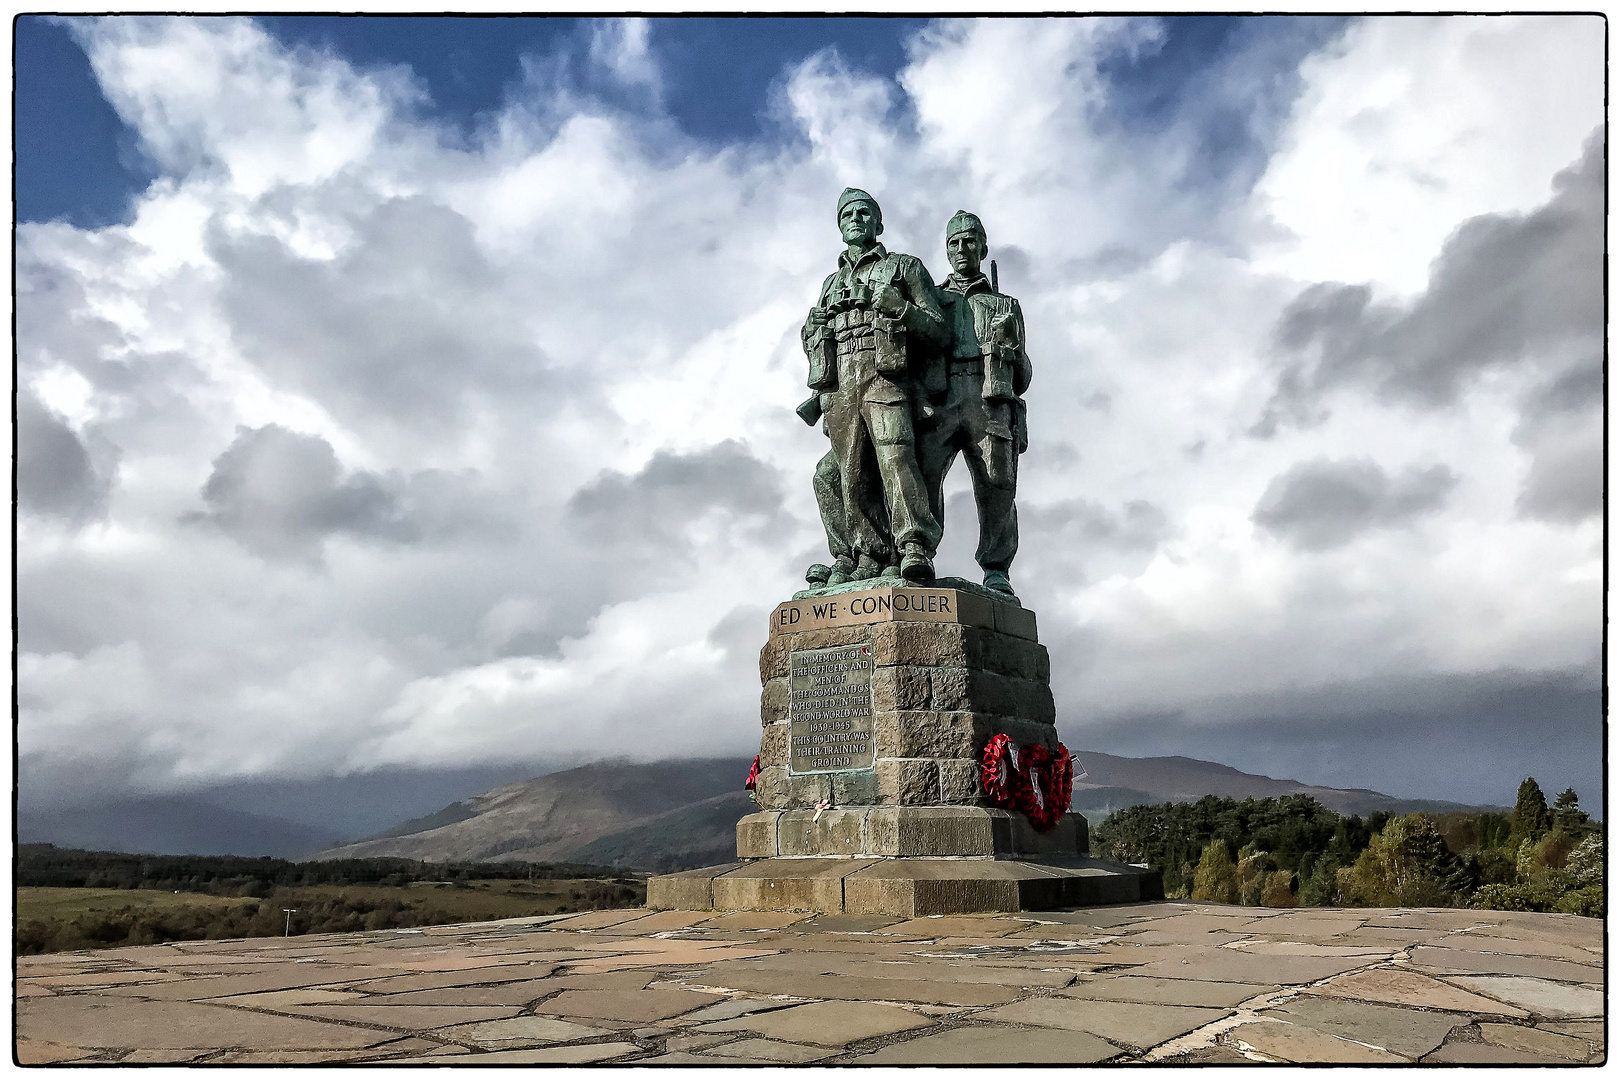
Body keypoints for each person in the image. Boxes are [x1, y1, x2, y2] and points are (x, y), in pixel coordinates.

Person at [800, 188, 948, 584]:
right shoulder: (831, 283)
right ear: (839, 226)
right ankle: (866, 555)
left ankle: (914, 545)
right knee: (847, 473)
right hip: (841, 384)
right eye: (847, 215)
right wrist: (811, 332)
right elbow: (817, 340)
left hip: (886, 374)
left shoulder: (905, 267)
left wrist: (899, 308)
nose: (855, 220)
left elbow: (938, 330)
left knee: (895, 455)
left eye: (864, 214)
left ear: (879, 224)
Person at [919, 210, 1032, 597]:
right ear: (947, 250)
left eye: (970, 240)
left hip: (989, 397)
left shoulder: (1006, 304)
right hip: (942, 396)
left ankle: (996, 569)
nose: (962, 248)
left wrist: (1011, 348)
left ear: (983, 247)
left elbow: (1025, 378)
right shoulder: (932, 298)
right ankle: (918, 554)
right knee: (924, 476)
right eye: (954, 242)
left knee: (997, 486)